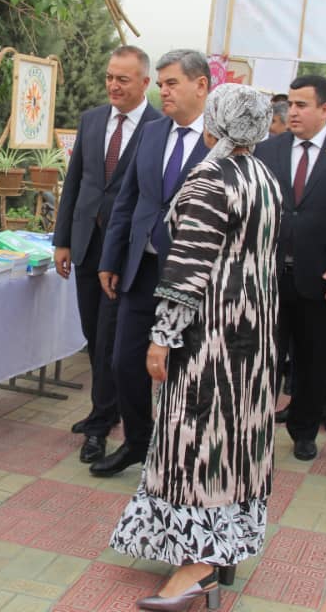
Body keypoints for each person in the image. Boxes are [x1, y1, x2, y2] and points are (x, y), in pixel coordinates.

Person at [110, 83, 280, 612]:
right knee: (235, 442)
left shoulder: (212, 178)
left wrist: (161, 338)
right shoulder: (263, 175)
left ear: (215, 122)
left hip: (211, 339)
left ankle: (196, 567)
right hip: (253, 338)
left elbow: (188, 270)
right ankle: (221, 549)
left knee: (196, 442)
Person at [95, 49, 210, 478]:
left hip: (191, 278)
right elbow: (128, 198)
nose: (164, 92)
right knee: (125, 362)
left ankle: (178, 456)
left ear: (201, 85)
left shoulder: (219, 142)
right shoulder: (152, 131)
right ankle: (137, 443)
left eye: (172, 83)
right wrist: (111, 258)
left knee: (183, 369)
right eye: (160, 84)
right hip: (141, 270)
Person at [254, 75, 326, 461]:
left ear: (325, 109)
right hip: (269, 277)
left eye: (301, 105)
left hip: (322, 278)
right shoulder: (267, 150)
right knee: (263, 359)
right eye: (289, 104)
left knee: (314, 360)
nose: (292, 112)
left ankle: (304, 430)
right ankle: (254, 428)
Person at [54, 46, 160, 464]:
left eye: (123, 79)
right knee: (92, 333)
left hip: (126, 251)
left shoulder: (158, 128)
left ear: (144, 83)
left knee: (111, 340)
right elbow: (75, 181)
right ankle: (107, 406)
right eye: (109, 77)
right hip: (86, 242)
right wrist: (63, 240)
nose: (113, 85)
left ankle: (99, 426)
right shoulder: (92, 120)